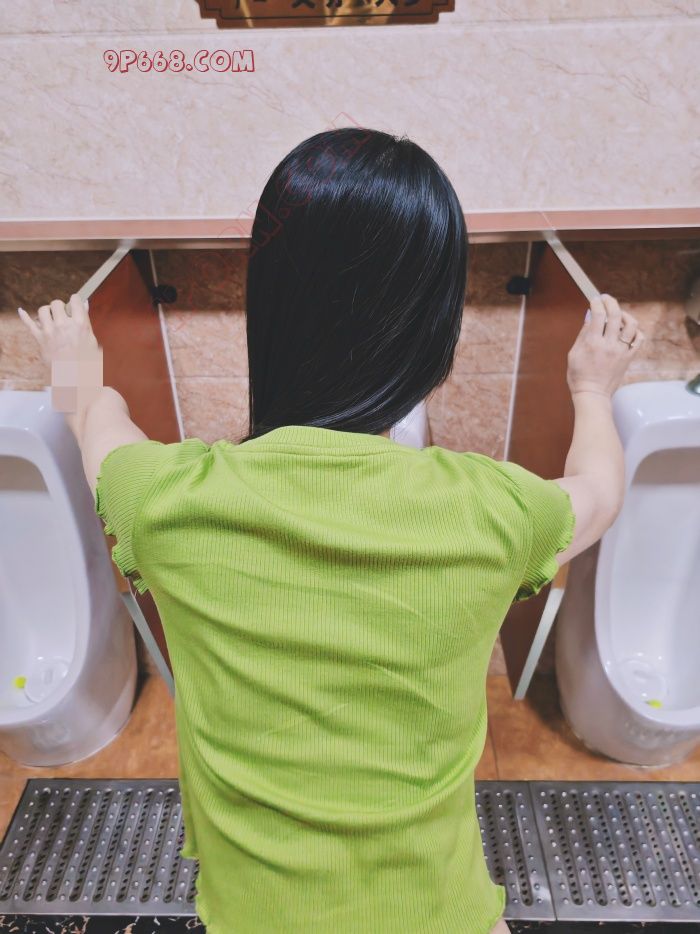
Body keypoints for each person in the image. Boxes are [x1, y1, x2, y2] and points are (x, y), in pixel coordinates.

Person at [18, 128, 644, 934]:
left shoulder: (165, 500)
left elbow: (93, 421)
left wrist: (72, 360)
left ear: (269, 311)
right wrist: (592, 389)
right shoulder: (494, 513)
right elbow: (601, 492)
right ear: (433, 336)